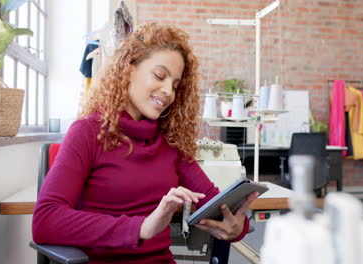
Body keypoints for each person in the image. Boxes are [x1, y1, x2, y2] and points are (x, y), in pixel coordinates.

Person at [32, 23, 258, 264]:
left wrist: (238, 226)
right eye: (159, 76)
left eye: (175, 85)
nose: (168, 91)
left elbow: (212, 202)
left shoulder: (170, 142)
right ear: (129, 70)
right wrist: (141, 227)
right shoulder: (87, 132)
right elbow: (46, 221)